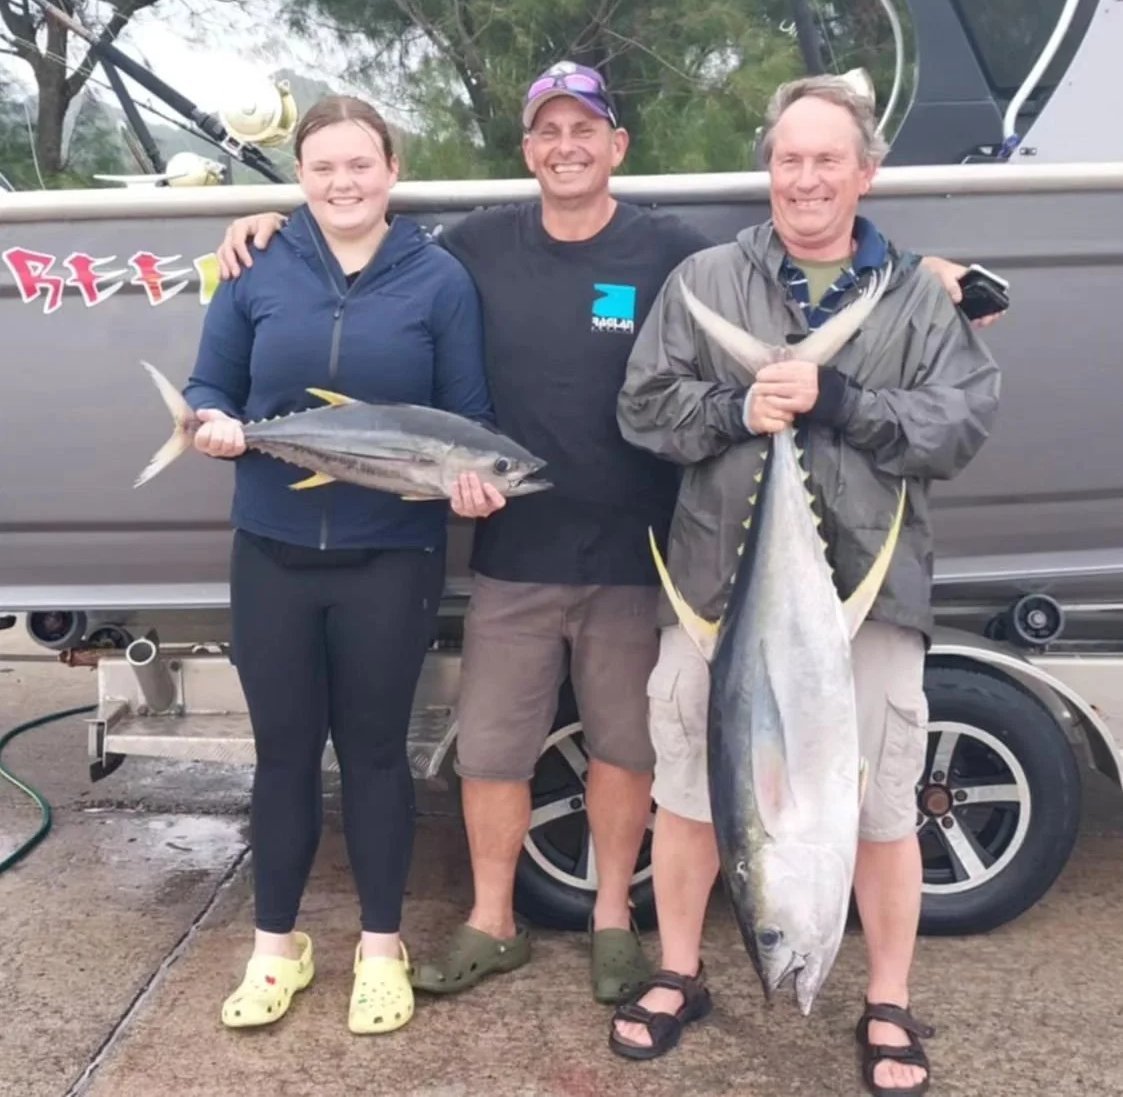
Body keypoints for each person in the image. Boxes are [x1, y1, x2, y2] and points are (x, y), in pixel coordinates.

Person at [212, 64, 1001, 1016]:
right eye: (547, 130)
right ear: (527, 148)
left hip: (645, 560)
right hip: (516, 554)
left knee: (644, 755)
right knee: (495, 751)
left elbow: (851, 297)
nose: (566, 146)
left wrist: (929, 276)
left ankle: (617, 930)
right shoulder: (478, 249)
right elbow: (370, 248)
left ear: (617, 146)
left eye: (585, 129)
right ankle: (492, 922)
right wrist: (263, 225)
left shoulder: (678, 250)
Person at [613, 74, 1001, 1096]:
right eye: (789, 158)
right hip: (712, 593)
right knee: (692, 796)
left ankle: (885, 1000)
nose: (805, 177)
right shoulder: (707, 275)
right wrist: (741, 408)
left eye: (827, 159)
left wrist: (841, 400)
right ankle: (679, 972)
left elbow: (957, 426)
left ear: (865, 172)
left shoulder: (920, 293)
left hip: (871, 595)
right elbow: (643, 408)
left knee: (877, 807)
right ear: (768, 169)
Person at [184, 94, 499, 1037]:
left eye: (359, 164)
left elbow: (468, 416)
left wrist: (471, 482)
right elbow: (211, 383)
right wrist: (208, 423)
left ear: (392, 170)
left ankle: (378, 947)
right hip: (270, 552)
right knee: (281, 758)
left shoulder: (438, 278)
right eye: (322, 167)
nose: (341, 182)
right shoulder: (253, 264)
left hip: (390, 558)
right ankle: (275, 947)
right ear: (300, 176)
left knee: (372, 756)